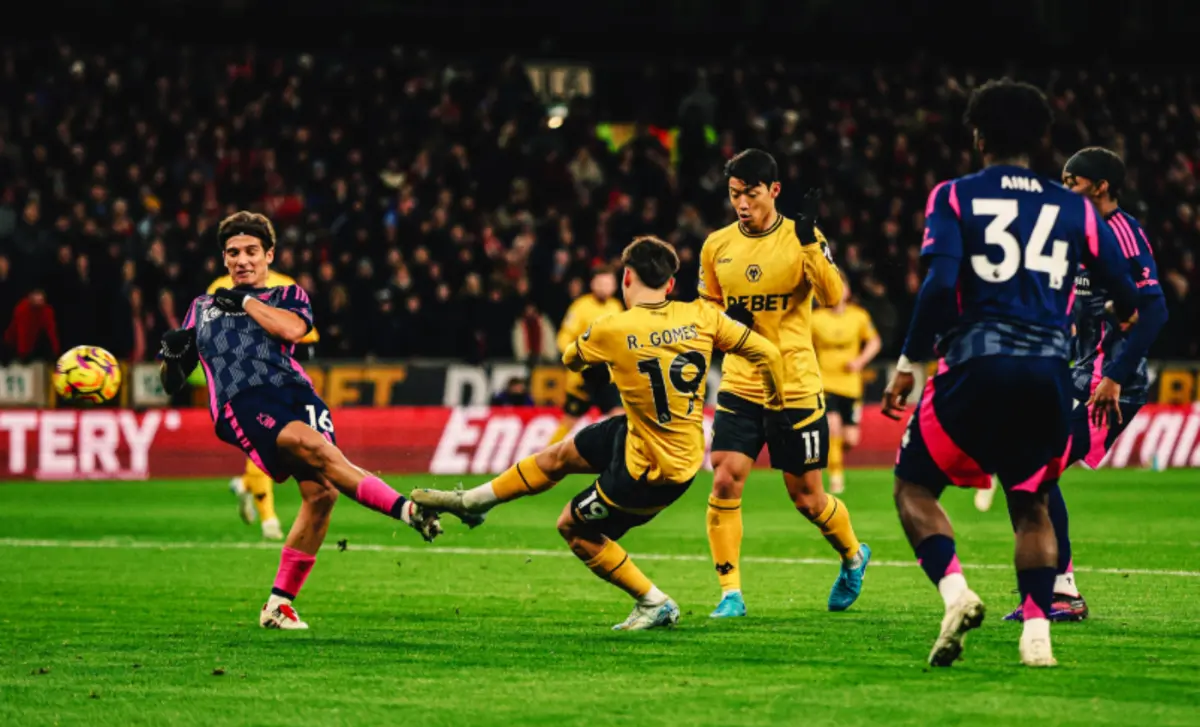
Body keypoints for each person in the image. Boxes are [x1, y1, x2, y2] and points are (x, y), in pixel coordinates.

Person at [882, 79, 1139, 668]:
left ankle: (955, 591)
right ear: (1042, 138)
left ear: (977, 135)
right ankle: (1037, 635)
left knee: (914, 486)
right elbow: (1127, 296)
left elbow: (940, 284)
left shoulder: (952, 196)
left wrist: (910, 362)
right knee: (1033, 501)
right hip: (1048, 374)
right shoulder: (1075, 207)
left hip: (975, 365)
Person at [411, 236, 786, 630]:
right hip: (657, 440)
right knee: (559, 455)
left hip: (652, 471)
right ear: (670, 284)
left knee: (572, 527)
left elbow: (571, 358)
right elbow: (768, 354)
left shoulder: (612, 328)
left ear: (626, 278)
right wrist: (774, 406)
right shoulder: (703, 317)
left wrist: (611, 356)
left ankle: (653, 601)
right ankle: (475, 502)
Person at [159, 211, 442, 630]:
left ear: (268, 254)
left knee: (323, 492)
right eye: (233, 253)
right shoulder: (200, 309)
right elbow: (172, 383)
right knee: (313, 449)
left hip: (299, 396)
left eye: (252, 251)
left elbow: (292, 331)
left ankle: (279, 603)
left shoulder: (288, 295)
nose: (242, 260)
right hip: (243, 400)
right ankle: (407, 510)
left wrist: (248, 301)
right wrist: (171, 358)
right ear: (223, 259)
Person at [698, 149, 870, 619]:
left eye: (751, 194)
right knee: (727, 478)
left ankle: (853, 557)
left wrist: (811, 241)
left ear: (773, 191)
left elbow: (833, 295)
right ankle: (730, 592)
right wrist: (723, 319)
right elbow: (706, 308)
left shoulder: (803, 238)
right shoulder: (717, 245)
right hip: (740, 382)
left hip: (794, 384)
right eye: (735, 195)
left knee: (807, 498)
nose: (742, 204)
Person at [996, 147, 1166, 623]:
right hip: (1072, 374)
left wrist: (1113, 377)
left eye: (1074, 181)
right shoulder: (1076, 233)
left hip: (1110, 385)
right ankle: (1058, 590)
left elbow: (1155, 310)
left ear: (1101, 186)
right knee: (1023, 471)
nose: (1065, 187)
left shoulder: (1123, 234)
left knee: (1031, 469)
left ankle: (1060, 592)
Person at [205, 267, 321, 541]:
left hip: (281, 378)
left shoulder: (285, 285)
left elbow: (305, 334)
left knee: (284, 451)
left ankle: (245, 485)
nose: (244, 260)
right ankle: (269, 519)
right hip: (240, 383)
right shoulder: (219, 288)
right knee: (265, 441)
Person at [811, 271, 882, 494]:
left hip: (851, 384)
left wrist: (860, 361)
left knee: (850, 439)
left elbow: (874, 342)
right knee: (833, 428)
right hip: (825, 382)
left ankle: (833, 456)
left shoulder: (859, 316)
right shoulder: (815, 318)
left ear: (848, 291)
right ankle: (835, 478)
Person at [547, 267, 624, 444]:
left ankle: (618, 459)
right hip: (583, 374)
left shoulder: (616, 306)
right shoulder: (580, 307)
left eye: (609, 283)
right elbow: (564, 337)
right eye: (602, 283)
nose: (605, 287)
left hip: (607, 374)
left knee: (618, 416)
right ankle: (543, 458)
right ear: (593, 284)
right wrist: (577, 357)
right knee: (569, 420)